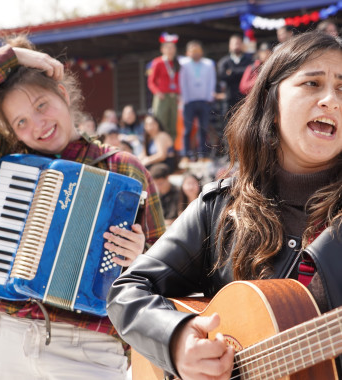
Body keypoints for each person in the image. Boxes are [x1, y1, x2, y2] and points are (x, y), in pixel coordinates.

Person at [107, 31, 342, 379]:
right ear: (271, 103)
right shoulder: (219, 208)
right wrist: (177, 343)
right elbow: (128, 291)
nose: (332, 100)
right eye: (311, 83)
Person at [0, 38, 165, 380]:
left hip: (90, 348)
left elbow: (166, 270)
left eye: (42, 105)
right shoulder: (3, 163)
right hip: (7, 337)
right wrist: (15, 55)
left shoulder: (125, 168)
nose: (37, 125)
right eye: (21, 122)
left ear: (63, 94)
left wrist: (139, 257)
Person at [179, 40, 216, 165]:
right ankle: (187, 154)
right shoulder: (183, 64)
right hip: (189, 101)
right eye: (193, 51)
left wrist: (209, 97)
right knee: (188, 129)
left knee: (203, 128)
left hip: (204, 100)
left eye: (198, 51)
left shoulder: (208, 63)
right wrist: (184, 99)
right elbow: (182, 82)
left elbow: (212, 80)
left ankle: (203, 154)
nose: (196, 53)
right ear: (188, 52)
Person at [147, 32, 180, 143]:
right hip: (162, 97)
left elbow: (177, 81)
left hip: (173, 97)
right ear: (162, 49)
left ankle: (172, 149)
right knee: (160, 123)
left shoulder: (176, 63)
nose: (170, 50)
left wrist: (178, 93)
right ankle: (160, 146)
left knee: (173, 124)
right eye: (168, 48)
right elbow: (151, 82)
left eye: (172, 48)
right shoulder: (157, 62)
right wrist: (157, 92)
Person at [217, 34, 253, 115]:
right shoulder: (224, 61)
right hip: (229, 98)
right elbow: (222, 75)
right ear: (230, 45)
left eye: (238, 43)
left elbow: (251, 73)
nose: (236, 45)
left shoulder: (249, 60)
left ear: (242, 45)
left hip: (245, 98)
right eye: (234, 43)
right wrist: (242, 72)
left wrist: (231, 72)